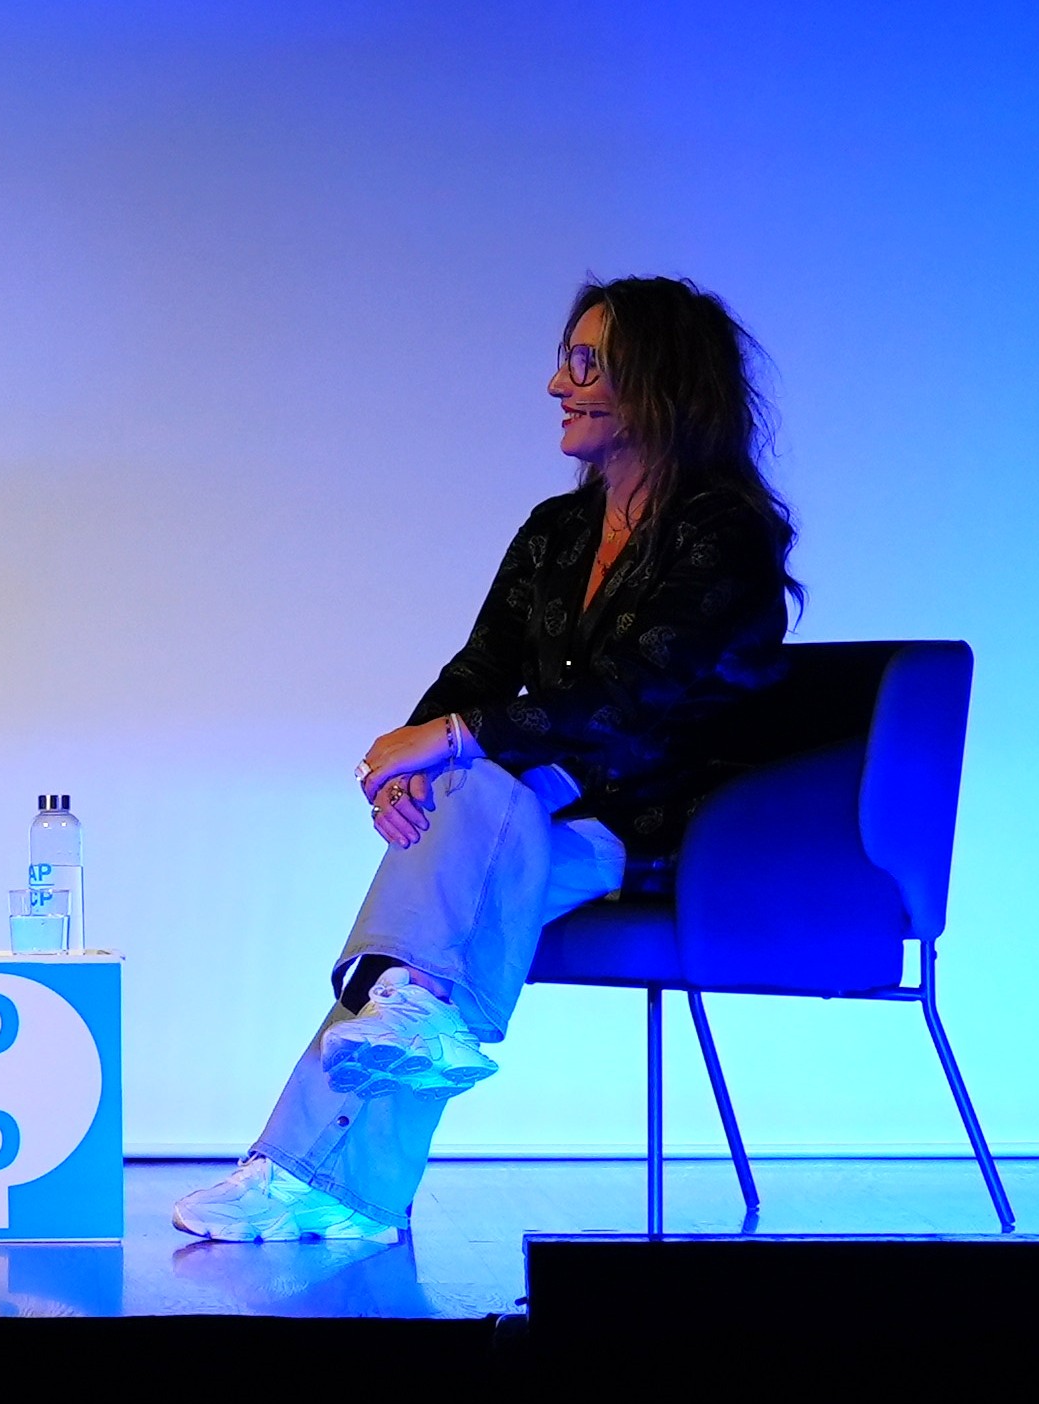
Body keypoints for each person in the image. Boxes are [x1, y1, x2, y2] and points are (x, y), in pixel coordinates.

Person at [173, 277, 801, 1244]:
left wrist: (450, 743)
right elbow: (479, 668)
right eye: (565, 361)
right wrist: (411, 765)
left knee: (446, 882)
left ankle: (310, 1175)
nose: (558, 384)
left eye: (586, 364)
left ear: (660, 381)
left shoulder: (726, 536)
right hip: (528, 810)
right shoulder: (557, 532)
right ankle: (365, 1115)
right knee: (425, 961)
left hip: (653, 825)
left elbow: (630, 695)